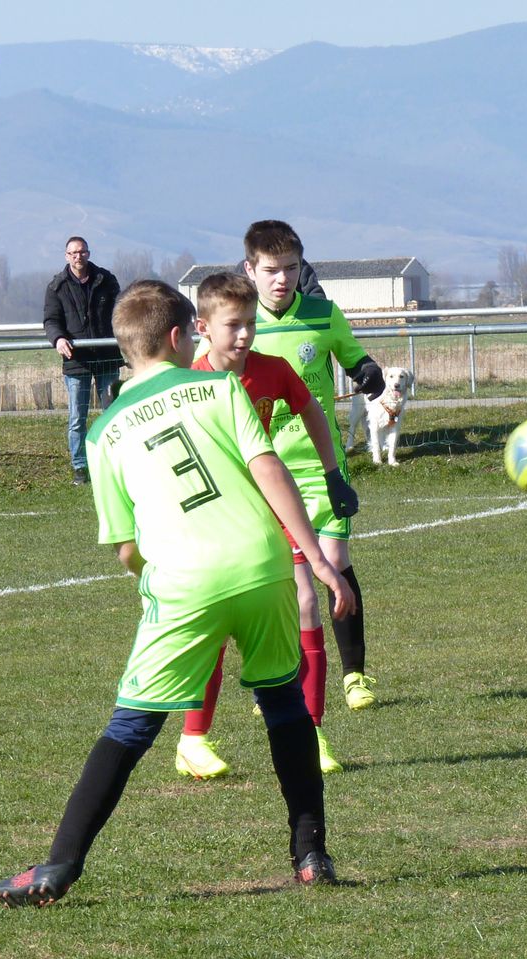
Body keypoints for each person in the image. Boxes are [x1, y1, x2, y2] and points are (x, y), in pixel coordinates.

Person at [0, 280, 356, 906]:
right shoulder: (220, 388)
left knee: (131, 725)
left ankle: (58, 866)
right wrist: (318, 559)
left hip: (184, 582)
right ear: (177, 336)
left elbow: (125, 546)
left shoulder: (103, 433)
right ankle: (310, 855)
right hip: (262, 565)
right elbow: (268, 468)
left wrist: (152, 579)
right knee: (283, 704)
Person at [173, 272, 359, 780]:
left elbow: (312, 412)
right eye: (233, 325)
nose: (245, 335)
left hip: (270, 508)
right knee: (215, 626)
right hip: (214, 521)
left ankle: (313, 732)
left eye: (251, 324)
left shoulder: (273, 370)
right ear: (202, 327)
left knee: (305, 603)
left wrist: (332, 474)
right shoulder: (187, 383)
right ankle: (193, 739)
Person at [241, 219, 385, 715]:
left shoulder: (323, 315)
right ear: (250, 271)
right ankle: (283, 680)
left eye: (291, 268)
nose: (282, 278)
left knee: (335, 563)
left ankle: (354, 675)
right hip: (262, 472)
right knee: (281, 580)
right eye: (271, 270)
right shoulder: (239, 325)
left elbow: (353, 356)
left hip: (321, 466)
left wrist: (367, 370)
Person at [43, 236, 122, 484]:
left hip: (107, 358)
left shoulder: (106, 280)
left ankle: (114, 462)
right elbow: (51, 320)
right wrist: (58, 339)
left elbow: (121, 312)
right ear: (67, 256)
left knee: (112, 413)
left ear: (88, 253)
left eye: (82, 252)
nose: (78, 256)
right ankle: (80, 466)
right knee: (77, 418)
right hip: (76, 361)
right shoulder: (57, 287)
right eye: (73, 253)